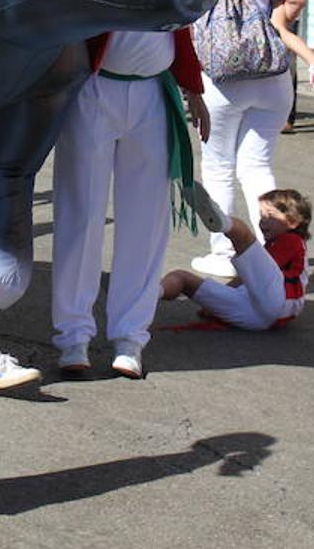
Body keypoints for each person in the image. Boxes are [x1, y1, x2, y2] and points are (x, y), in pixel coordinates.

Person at [49, 26, 210, 381]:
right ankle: (73, 336)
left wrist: (193, 87)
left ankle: (131, 337)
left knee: (147, 222)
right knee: (81, 214)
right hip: (94, 86)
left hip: (152, 91)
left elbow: (180, 18)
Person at [190, 0, 311, 280]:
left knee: (218, 167)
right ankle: (274, 252)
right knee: (258, 167)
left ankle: (226, 252)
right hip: (271, 75)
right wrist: (274, 25)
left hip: (220, 78)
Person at [162, 187, 310, 331]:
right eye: (261, 215)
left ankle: (222, 221)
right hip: (256, 317)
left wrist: (221, 294)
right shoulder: (277, 243)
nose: (263, 221)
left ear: (292, 222)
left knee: (243, 234)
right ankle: (150, 294)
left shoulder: (291, 240)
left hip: (278, 301)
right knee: (182, 279)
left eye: (270, 215)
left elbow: (246, 278)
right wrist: (215, 303)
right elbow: (248, 278)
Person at [281, 0, 314, 133]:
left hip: (286, 16)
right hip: (261, 16)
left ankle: (287, 118)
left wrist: (291, 7)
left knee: (287, 67)